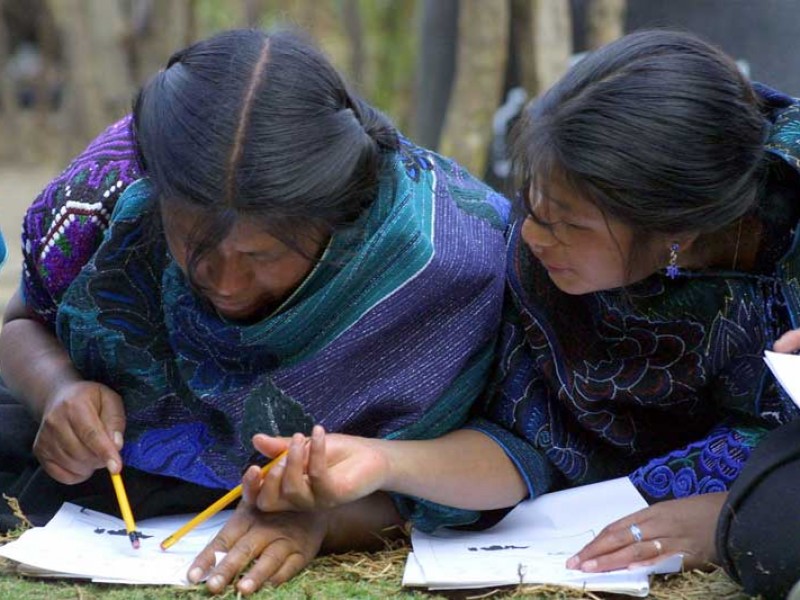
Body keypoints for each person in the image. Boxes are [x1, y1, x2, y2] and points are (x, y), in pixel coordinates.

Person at [242, 28, 800, 592]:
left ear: (678, 230)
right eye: (532, 205)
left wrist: (725, 515)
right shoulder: (549, 275)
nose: (532, 236)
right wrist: (383, 460)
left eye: (569, 225)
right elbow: (529, 440)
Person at [0, 28, 510, 594]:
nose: (223, 280)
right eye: (192, 243)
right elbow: (21, 322)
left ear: (336, 220)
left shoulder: (450, 264)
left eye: (261, 255)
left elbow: (499, 469)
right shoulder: (113, 190)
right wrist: (58, 389)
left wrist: (329, 518)